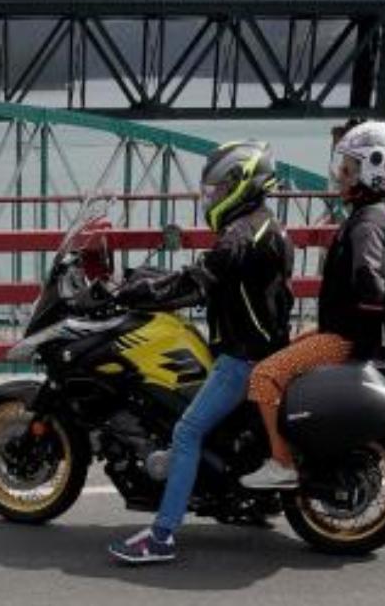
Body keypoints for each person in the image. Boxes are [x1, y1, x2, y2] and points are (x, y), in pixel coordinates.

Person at [107, 141, 295, 564]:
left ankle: (161, 536)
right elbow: (215, 278)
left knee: (186, 432)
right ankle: (249, 501)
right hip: (260, 347)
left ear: (240, 183)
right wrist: (150, 276)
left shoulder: (242, 233)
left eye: (217, 187)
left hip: (245, 357)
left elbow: (201, 278)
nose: (210, 196)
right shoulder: (264, 224)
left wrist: (141, 292)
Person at [240, 120, 385, 490]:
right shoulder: (381, 214)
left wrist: (361, 307)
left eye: (348, 169)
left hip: (344, 339)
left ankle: (281, 463)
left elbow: (368, 276)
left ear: (372, 171)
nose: (340, 177)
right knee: (285, 352)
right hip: (343, 331)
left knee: (263, 377)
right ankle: (289, 441)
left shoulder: (367, 223)